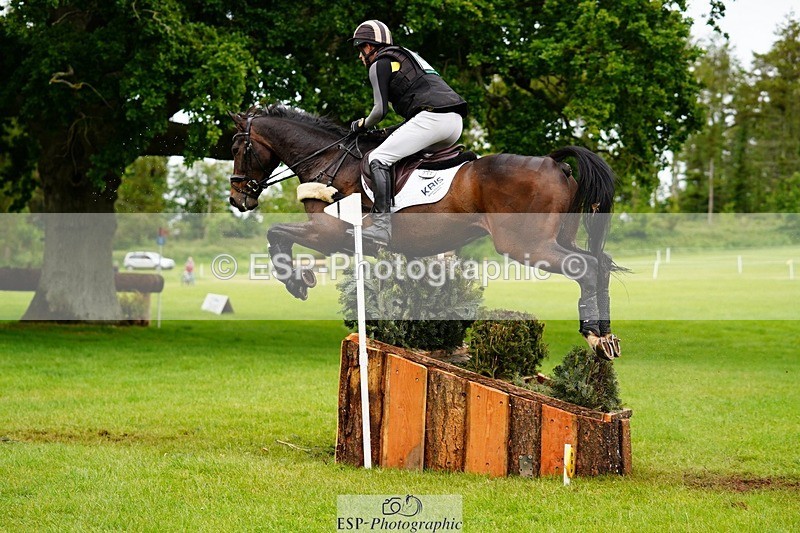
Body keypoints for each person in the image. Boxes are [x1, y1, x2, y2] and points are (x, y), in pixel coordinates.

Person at [349, 20, 469, 245]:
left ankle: (381, 227)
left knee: (378, 158)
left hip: (432, 119)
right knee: (406, 158)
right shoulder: (407, 56)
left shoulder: (380, 63)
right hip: (454, 123)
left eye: (359, 48)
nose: (359, 56)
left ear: (369, 47)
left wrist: (362, 125)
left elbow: (380, 110)